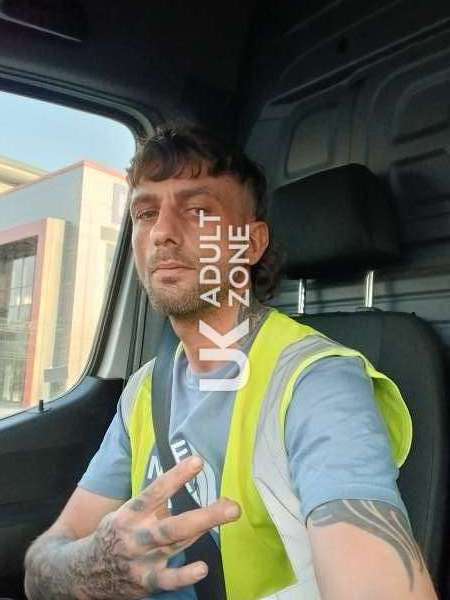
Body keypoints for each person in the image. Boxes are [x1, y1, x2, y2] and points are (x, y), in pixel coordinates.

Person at [24, 124, 438, 600]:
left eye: (198, 210)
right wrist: (93, 566)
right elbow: (42, 565)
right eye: (145, 212)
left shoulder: (316, 383)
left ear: (252, 243)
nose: (162, 233)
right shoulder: (144, 389)